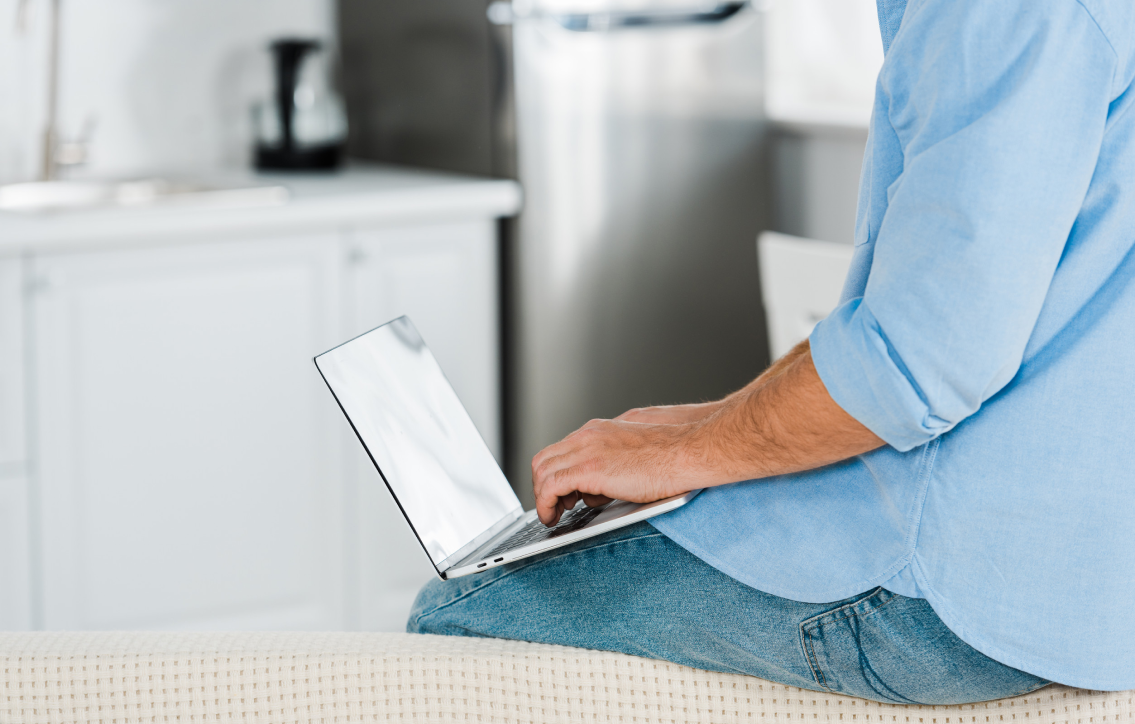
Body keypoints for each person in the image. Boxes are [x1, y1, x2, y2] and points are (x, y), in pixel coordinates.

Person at [408, 0, 1135, 704]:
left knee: (462, 609)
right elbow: (918, 317)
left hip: (962, 591)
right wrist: (704, 424)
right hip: (1090, 572)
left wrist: (676, 457)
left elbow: (915, 364)